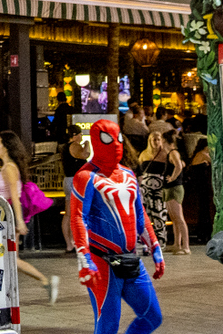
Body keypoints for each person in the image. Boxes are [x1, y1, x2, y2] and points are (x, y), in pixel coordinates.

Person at [70, 119, 165, 334]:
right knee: (107, 327)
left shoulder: (128, 175)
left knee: (152, 317)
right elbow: (77, 218)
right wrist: (84, 259)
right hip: (102, 262)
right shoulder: (86, 177)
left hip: (130, 259)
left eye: (118, 138)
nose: (115, 143)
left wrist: (155, 248)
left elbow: (140, 216)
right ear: (97, 140)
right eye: (108, 139)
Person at [0, 131, 58, 304]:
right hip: (5, 215)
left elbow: (15, 196)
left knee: (10, 257)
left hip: (9, 216)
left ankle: (45, 281)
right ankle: (40, 283)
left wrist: (19, 220)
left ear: (7, 147)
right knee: (7, 257)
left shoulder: (9, 168)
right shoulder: (8, 166)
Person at [60, 124, 90, 253]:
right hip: (76, 181)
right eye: (80, 134)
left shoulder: (65, 148)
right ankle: (76, 242)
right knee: (77, 213)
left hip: (68, 180)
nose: (82, 136)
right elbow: (85, 154)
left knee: (68, 213)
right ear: (75, 135)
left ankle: (69, 244)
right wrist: (87, 143)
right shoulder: (74, 146)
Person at [137, 131, 169, 247]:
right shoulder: (144, 154)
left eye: (158, 139)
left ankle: (160, 242)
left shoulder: (166, 154)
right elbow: (139, 169)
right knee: (145, 214)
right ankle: (145, 243)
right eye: (153, 140)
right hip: (145, 187)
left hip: (159, 187)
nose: (156, 142)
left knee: (159, 214)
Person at [159, 130, 189, 255]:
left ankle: (186, 246)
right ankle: (177, 243)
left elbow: (178, 165)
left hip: (174, 187)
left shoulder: (173, 152)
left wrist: (173, 177)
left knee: (179, 217)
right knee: (174, 217)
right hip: (170, 187)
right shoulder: (171, 153)